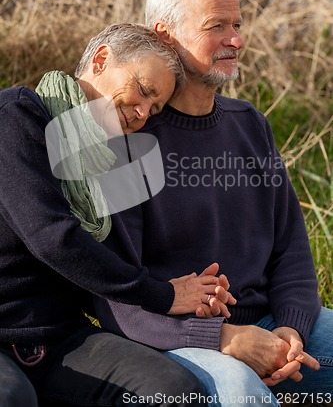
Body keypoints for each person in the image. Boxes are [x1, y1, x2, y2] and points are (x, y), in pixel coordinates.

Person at [94, 0, 333, 406]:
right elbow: (116, 300)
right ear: (164, 35)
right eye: (216, 26)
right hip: (180, 342)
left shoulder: (251, 126)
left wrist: (291, 329)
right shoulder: (127, 138)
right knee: (242, 392)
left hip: (272, 325)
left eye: (237, 25)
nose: (236, 40)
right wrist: (223, 337)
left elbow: (292, 250)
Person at [0, 22, 236, 407]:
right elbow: (54, 239)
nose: (143, 113)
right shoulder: (15, 118)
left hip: (61, 338)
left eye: (155, 107)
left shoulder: (104, 163)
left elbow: (110, 268)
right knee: (12, 397)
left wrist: (191, 294)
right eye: (143, 91)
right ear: (101, 59)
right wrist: (162, 295)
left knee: (175, 392)